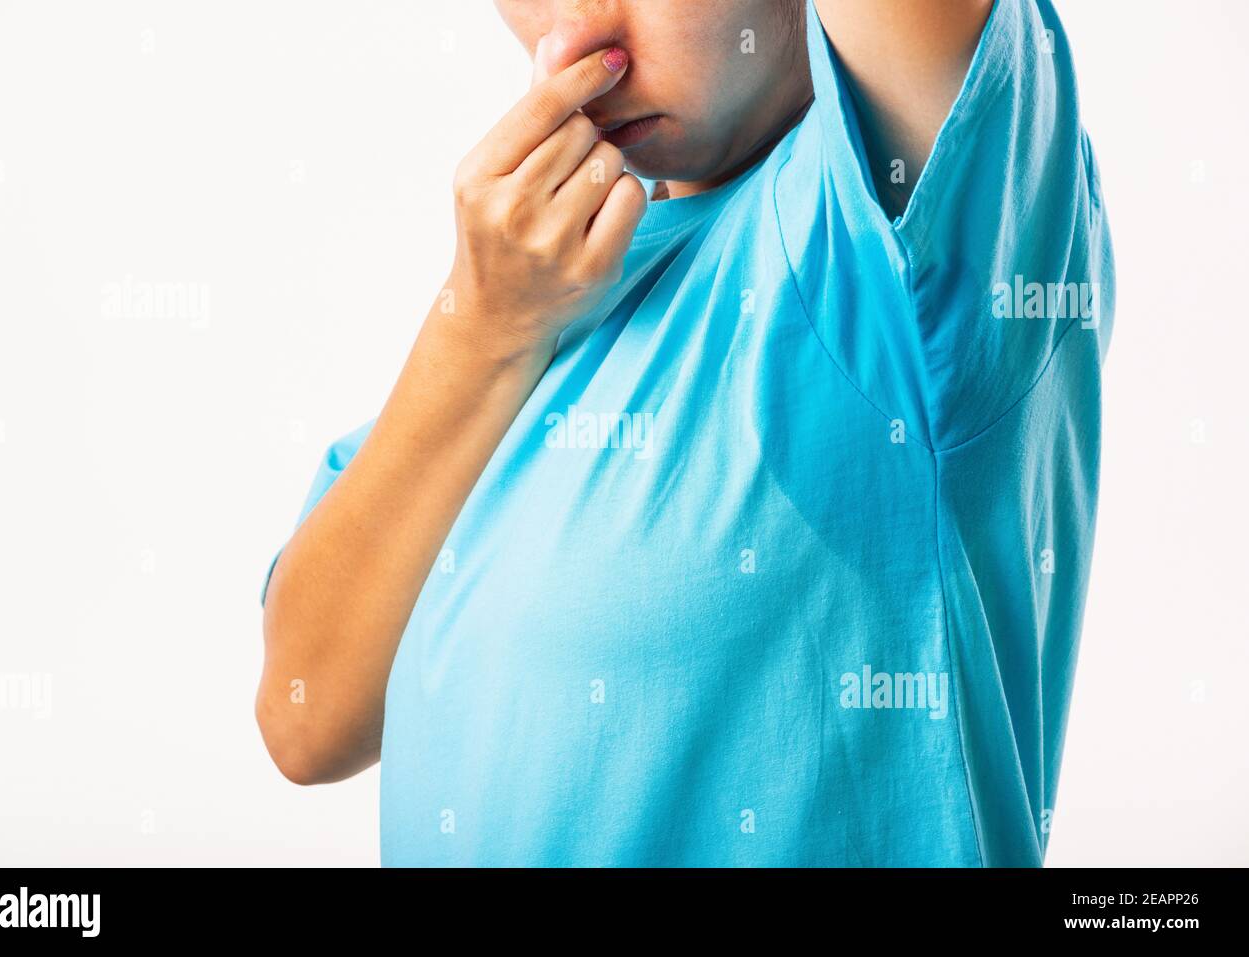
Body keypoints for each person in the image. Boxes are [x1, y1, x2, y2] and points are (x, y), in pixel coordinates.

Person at [256, 0, 1114, 866]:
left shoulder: (896, 240)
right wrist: (484, 327)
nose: (572, 42)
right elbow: (305, 718)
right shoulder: (541, 297)